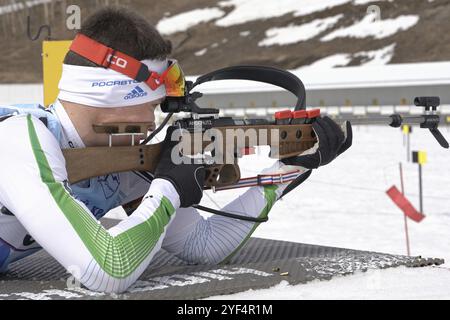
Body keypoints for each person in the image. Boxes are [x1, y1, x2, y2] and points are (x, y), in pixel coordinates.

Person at [0, 7, 352, 293]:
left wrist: (287, 170)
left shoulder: (123, 157)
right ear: (113, 97)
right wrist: (167, 188)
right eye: (152, 105)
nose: (155, 120)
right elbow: (107, 270)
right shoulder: (18, 137)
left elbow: (202, 245)